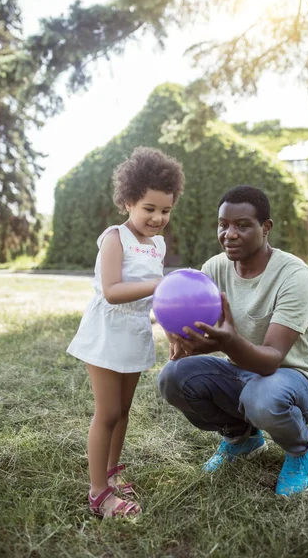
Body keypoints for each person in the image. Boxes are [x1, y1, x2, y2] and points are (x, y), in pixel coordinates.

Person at [158, 185, 308, 497]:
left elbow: (272, 358)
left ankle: (301, 449)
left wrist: (227, 343)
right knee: (172, 378)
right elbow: (204, 333)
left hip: (294, 379)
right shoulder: (214, 268)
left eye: (243, 225)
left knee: (262, 397)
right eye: (223, 225)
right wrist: (181, 335)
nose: (229, 234)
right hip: (242, 373)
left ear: (266, 228)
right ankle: (243, 439)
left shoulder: (294, 275)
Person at [67, 147, 184, 518]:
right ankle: (98, 492)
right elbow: (113, 291)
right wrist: (157, 283)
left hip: (135, 332)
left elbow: (157, 299)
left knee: (124, 411)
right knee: (107, 412)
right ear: (128, 201)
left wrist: (173, 332)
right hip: (106, 331)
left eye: (165, 210)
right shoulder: (115, 237)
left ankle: (113, 472)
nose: (157, 217)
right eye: (149, 208)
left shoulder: (158, 245)